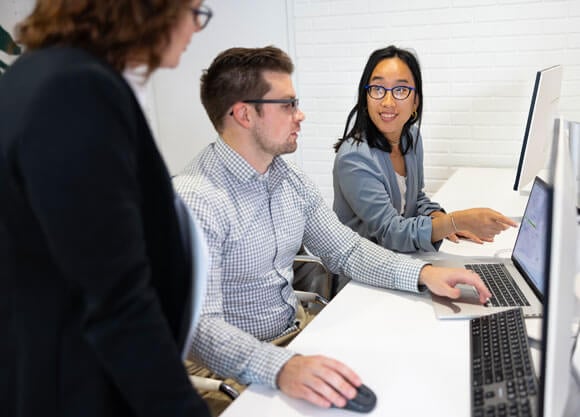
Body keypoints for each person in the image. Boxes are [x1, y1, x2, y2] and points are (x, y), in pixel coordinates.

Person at [173, 45, 492, 413]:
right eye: (288, 104)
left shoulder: (289, 181)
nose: (301, 115)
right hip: (225, 372)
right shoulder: (196, 201)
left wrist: (424, 273)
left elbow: (347, 250)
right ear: (245, 114)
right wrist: (283, 367)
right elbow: (199, 327)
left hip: (295, 335)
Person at [0, 1, 214, 416]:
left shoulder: (35, 75)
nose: (196, 26)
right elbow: (116, 297)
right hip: (82, 386)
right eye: (193, 10)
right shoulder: (76, 90)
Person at [333, 45, 517, 253]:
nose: (388, 101)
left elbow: (415, 199)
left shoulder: (410, 137)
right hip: (360, 275)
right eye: (377, 89)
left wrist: (441, 219)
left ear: (415, 102)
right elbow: (390, 233)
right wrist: (455, 222)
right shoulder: (354, 157)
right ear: (365, 98)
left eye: (401, 90)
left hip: (398, 260)